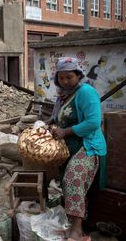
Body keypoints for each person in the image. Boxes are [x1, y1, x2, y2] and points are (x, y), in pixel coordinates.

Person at [49, 57, 107, 241]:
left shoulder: (86, 92)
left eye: (69, 77)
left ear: (78, 75)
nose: (65, 81)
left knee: (73, 178)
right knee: (67, 184)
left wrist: (65, 131)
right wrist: (47, 124)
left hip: (88, 145)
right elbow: (56, 116)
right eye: (61, 78)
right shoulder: (63, 94)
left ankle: (77, 229)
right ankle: (72, 218)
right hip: (69, 146)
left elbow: (93, 122)